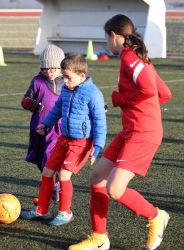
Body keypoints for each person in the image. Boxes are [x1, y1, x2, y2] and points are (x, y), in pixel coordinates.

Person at [69, 14, 172, 250]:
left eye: (106, 39)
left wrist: (120, 99)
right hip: (132, 130)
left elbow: (148, 90)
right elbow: (164, 93)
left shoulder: (130, 58)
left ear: (114, 36)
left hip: (142, 133)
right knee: (97, 177)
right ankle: (99, 238)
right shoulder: (139, 58)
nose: (106, 44)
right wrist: (142, 110)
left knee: (115, 189)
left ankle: (156, 216)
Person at [20, 54, 107, 227]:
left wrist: (97, 147)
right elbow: (57, 109)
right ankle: (41, 210)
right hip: (64, 139)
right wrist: (45, 124)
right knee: (47, 171)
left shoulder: (93, 93)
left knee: (65, 174)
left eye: (68, 77)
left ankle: (65, 212)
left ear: (81, 76)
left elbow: (99, 121)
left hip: (82, 142)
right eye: (64, 77)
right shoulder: (67, 90)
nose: (65, 82)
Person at [21, 45, 65, 204]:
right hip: (38, 128)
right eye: (46, 68)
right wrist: (32, 104)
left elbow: (83, 97)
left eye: (53, 68)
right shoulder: (37, 81)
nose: (49, 72)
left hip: (58, 128)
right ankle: (52, 184)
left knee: (52, 156)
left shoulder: (68, 82)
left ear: (61, 67)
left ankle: (57, 185)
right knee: (40, 159)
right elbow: (25, 101)